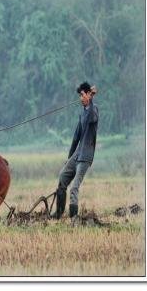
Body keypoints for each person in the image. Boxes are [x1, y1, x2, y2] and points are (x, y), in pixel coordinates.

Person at [51, 82, 98, 226]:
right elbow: (76, 137)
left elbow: (91, 116)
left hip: (85, 156)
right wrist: (69, 158)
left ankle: (73, 219)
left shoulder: (93, 110)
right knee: (62, 178)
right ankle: (58, 213)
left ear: (88, 95)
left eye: (82, 95)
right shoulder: (82, 113)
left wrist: (92, 99)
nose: (80, 98)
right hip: (77, 154)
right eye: (80, 96)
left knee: (74, 187)